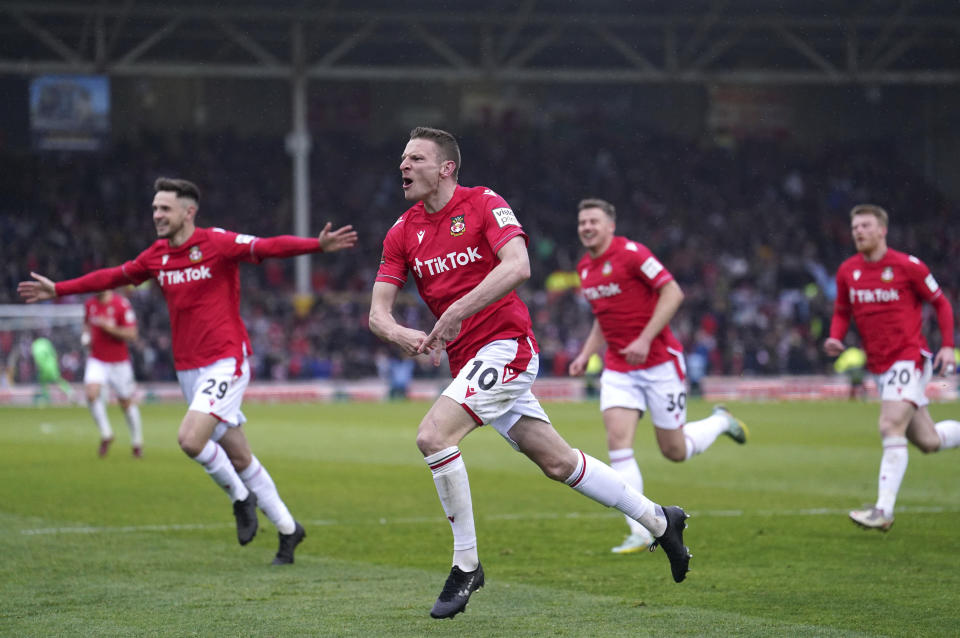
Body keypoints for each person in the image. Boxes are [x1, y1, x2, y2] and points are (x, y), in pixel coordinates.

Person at [369, 127, 692, 620]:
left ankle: (467, 565)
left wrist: (455, 310)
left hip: (507, 347)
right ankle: (659, 519)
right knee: (559, 464)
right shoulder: (401, 231)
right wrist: (402, 335)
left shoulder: (483, 204)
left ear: (446, 168)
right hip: (469, 362)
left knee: (433, 436)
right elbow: (377, 314)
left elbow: (518, 266)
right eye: (402, 159)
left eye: (415, 159)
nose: (403, 167)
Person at [19, 177, 358, 564]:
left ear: (188, 212)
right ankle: (287, 529)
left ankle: (240, 499)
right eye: (154, 209)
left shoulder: (217, 243)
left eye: (164, 208)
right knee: (241, 456)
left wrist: (318, 245)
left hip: (226, 359)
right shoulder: (156, 256)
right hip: (188, 369)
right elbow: (113, 276)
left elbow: (266, 247)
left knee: (189, 440)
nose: (157, 215)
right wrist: (59, 289)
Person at [568, 198, 748, 554]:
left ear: (610, 226)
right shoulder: (585, 267)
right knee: (618, 442)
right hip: (620, 367)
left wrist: (645, 338)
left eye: (593, 221)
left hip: (659, 362)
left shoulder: (633, 254)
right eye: (582, 222)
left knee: (675, 451)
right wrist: (586, 354)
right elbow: (604, 319)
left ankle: (720, 421)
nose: (586, 227)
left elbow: (673, 292)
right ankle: (641, 529)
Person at [824, 204, 959, 532]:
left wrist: (946, 345)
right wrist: (835, 336)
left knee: (889, 426)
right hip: (881, 366)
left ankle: (883, 510)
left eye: (866, 226)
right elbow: (842, 310)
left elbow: (940, 302)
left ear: (882, 230)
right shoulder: (848, 271)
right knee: (927, 441)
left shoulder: (907, 266)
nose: (859, 231)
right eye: (855, 226)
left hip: (909, 357)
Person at [82, 289, 144, 458]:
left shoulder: (121, 304)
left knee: (125, 402)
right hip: (97, 358)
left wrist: (110, 328)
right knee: (91, 393)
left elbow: (132, 333)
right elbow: (86, 324)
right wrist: (86, 336)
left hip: (118, 361)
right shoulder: (90, 304)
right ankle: (106, 434)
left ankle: (137, 443)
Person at [30, 335, 75, 403]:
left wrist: (38, 366)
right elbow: (53, 353)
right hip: (52, 365)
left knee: (43, 382)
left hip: (43, 366)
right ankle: (69, 391)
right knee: (57, 380)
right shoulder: (46, 342)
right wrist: (56, 363)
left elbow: (37, 358)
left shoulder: (35, 345)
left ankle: (46, 397)